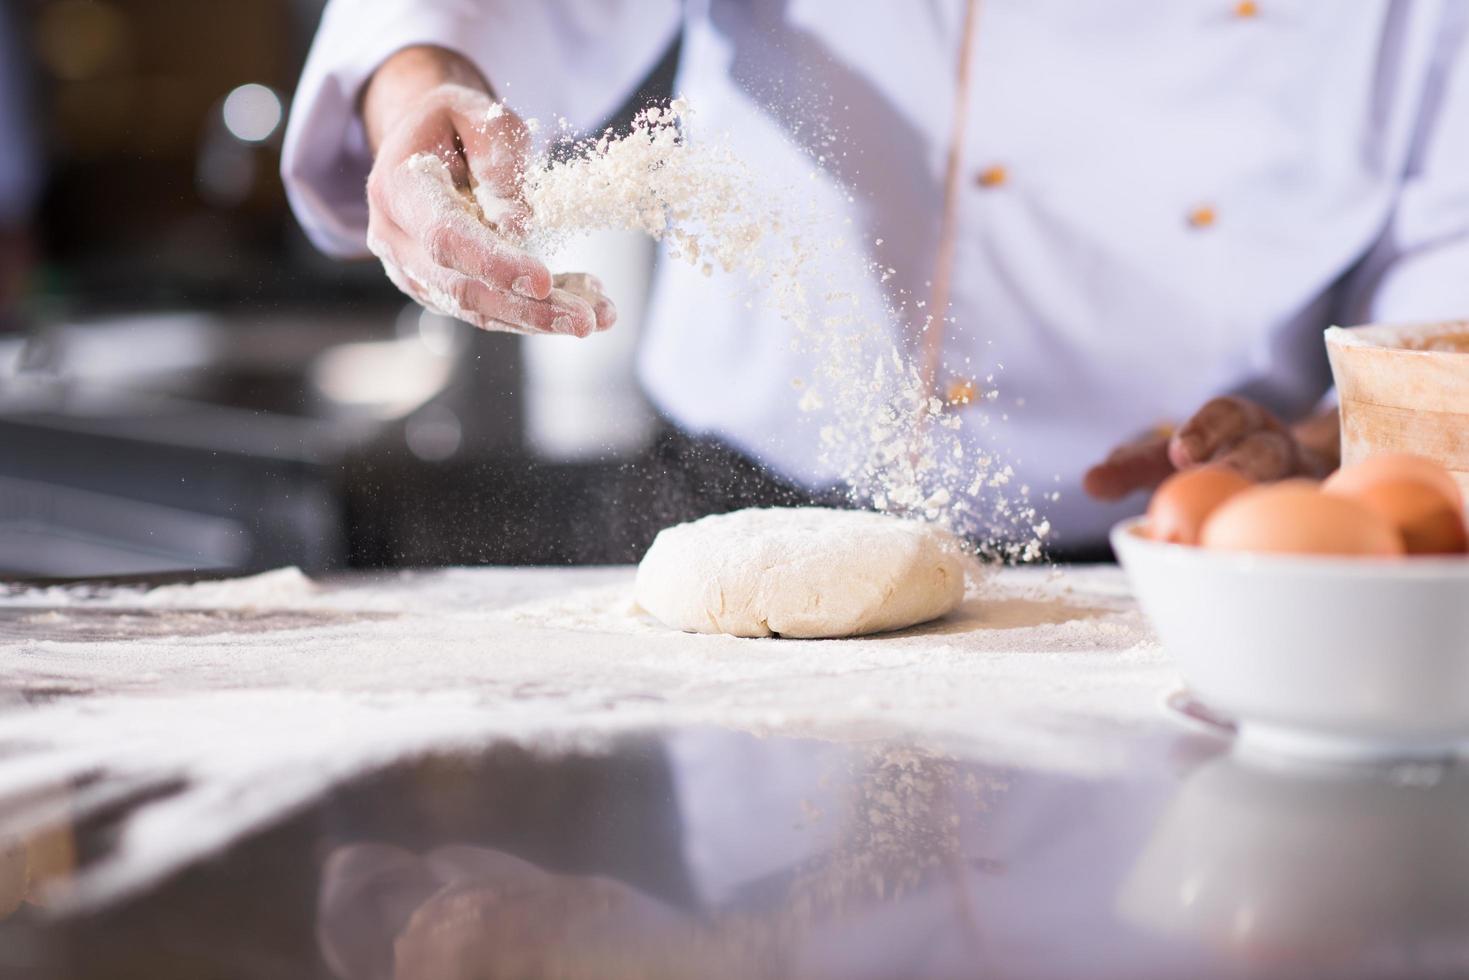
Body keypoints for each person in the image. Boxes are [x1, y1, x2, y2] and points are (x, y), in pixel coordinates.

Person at [282, 1, 1469, 554]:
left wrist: (1316, 450)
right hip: (745, 505)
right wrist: (418, 93)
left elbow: (1441, 316)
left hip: (1174, 564)